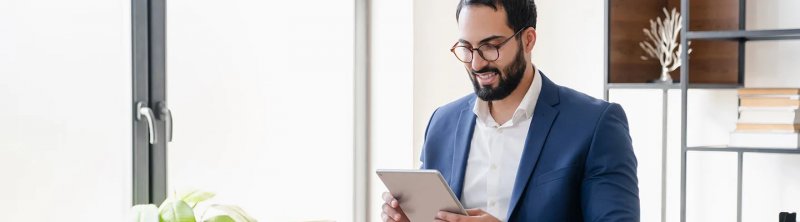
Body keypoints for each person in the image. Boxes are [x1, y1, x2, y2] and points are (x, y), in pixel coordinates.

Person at [381, 0, 640, 221]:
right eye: (467, 48)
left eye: (491, 47)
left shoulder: (595, 125)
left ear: (528, 40)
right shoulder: (441, 123)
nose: (477, 63)